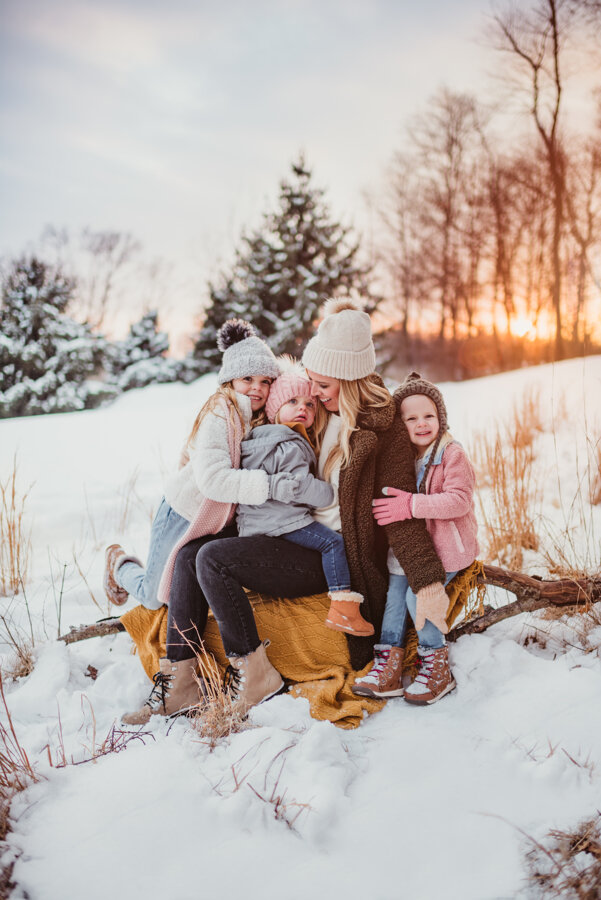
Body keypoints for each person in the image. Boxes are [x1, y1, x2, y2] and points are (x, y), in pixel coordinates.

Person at [161, 298, 449, 718]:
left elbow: (399, 517)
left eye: (323, 386)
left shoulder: (382, 435)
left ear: (349, 381)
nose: (311, 393)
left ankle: (256, 675)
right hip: (286, 529)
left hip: (328, 553)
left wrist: (427, 582)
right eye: (310, 383)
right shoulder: (315, 414)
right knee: (190, 553)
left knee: (213, 559)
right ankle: (180, 679)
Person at [108, 319, 300, 724]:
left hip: (213, 519)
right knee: (153, 596)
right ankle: (119, 565)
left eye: (266, 381)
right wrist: (270, 485)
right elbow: (213, 477)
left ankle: (183, 685)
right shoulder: (220, 411)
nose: (258, 388)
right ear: (230, 380)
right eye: (248, 378)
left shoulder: (255, 416)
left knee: (193, 565)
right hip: (180, 514)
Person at [352, 371, 479, 705]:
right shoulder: (401, 457)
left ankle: (436, 663)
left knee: (416, 598)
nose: (422, 424)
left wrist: (411, 505)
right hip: (408, 551)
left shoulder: (451, 454)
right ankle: (389, 666)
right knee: (394, 600)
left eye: (429, 416)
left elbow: (459, 501)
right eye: (411, 418)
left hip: (448, 549)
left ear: (441, 417)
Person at [236, 359, 374, 637]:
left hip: (255, 523)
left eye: (310, 404)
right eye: (293, 402)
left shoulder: (258, 439)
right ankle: (342, 610)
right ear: (275, 409)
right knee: (333, 543)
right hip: (282, 522)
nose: (303, 407)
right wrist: (328, 493)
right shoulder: (289, 442)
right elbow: (299, 487)